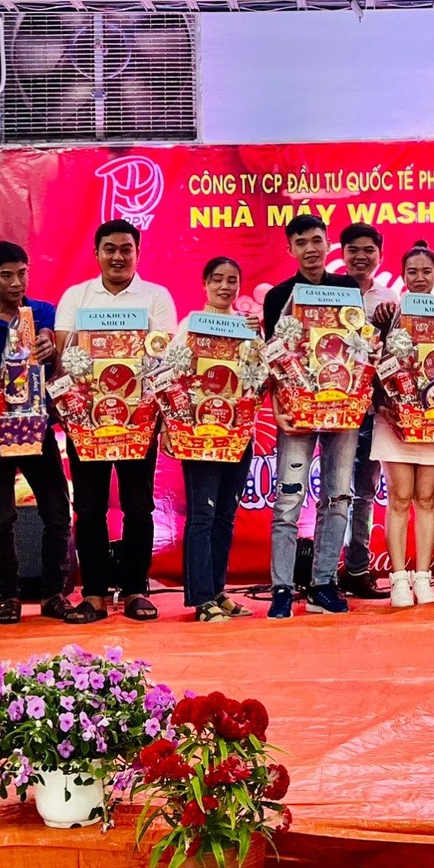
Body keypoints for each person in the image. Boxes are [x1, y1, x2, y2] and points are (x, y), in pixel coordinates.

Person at [51, 218, 176, 624]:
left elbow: (164, 362)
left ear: (138, 253)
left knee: (139, 508)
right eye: (110, 249)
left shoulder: (156, 297)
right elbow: (63, 362)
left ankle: (136, 589)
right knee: (89, 509)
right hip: (89, 423)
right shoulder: (76, 297)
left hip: (139, 420)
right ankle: (94, 593)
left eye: (126, 249)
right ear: (96, 253)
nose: (118, 256)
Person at [260, 212, 362, 619]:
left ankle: (323, 583)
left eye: (316, 240)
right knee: (289, 498)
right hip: (297, 412)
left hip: (341, 407)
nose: (310, 249)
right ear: (290, 249)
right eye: (301, 242)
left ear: (327, 244)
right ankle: (282, 587)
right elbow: (273, 359)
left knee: (337, 496)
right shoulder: (277, 297)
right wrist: (277, 409)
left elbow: (358, 349)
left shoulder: (347, 288)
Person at [0, 240, 74, 626]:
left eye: (22, 273)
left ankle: (53, 594)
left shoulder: (44, 313)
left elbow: (62, 359)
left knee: (57, 513)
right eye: (7, 275)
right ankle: (9, 597)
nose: (16, 282)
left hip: (38, 430)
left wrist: (52, 349)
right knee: (1, 519)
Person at [371, 242, 434, 609]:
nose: (420, 277)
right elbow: (369, 363)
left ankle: (424, 577)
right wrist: (382, 404)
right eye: (412, 272)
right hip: (394, 420)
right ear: (402, 276)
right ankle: (399, 579)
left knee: (427, 499)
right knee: (400, 498)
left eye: (426, 271)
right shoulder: (388, 315)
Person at [179, 256, 256, 622]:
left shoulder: (247, 328)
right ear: (205, 284)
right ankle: (201, 599)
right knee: (202, 515)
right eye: (218, 279)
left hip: (238, 433)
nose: (225, 286)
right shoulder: (189, 326)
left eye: (232, 280)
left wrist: (258, 341)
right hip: (200, 434)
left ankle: (218, 591)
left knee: (225, 515)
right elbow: (172, 377)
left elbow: (259, 378)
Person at [338, 222, 388, 600]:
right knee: (334, 491)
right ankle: (324, 572)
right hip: (333, 410)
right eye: (353, 249)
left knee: (365, 492)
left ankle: (357, 569)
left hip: (373, 410)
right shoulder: (327, 292)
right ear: (342, 254)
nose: (361, 256)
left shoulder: (389, 300)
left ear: (379, 256)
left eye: (368, 250)